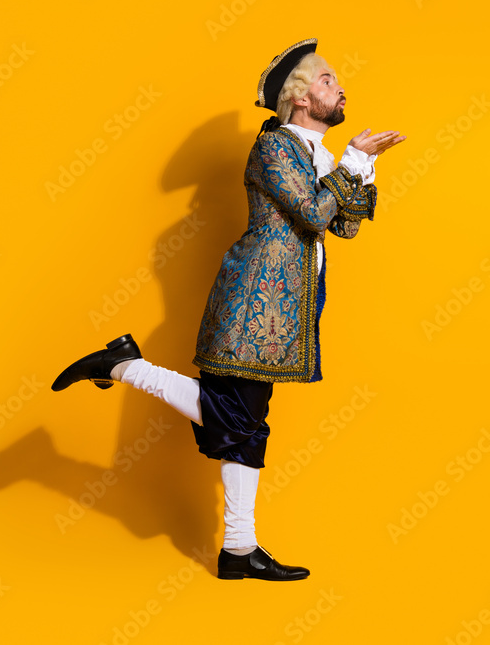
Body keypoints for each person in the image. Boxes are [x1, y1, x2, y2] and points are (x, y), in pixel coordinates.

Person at [51, 37, 406, 581]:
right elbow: (313, 214)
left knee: (247, 426)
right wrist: (353, 160)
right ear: (300, 97)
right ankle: (124, 366)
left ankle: (239, 548)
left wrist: (364, 168)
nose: (340, 87)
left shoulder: (318, 156)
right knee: (241, 420)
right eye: (328, 79)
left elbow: (345, 226)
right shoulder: (274, 147)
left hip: (287, 311)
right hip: (253, 302)